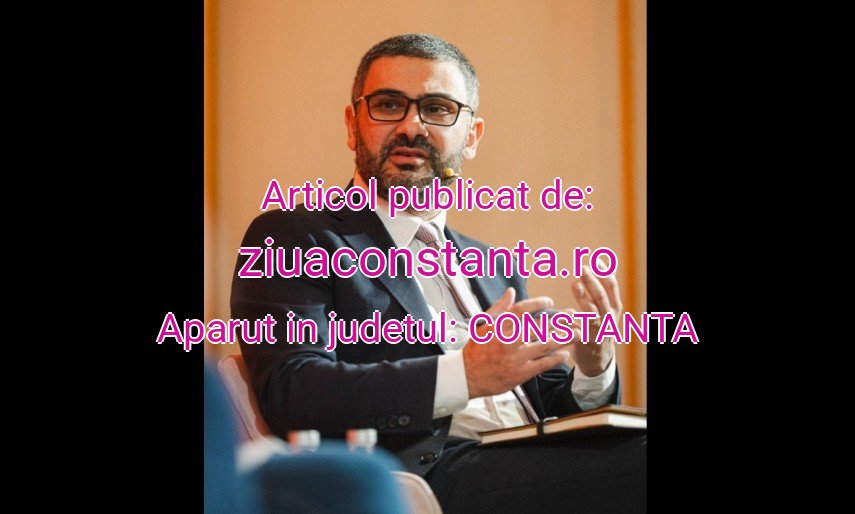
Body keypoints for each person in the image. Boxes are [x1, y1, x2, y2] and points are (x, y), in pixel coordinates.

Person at [232, 33, 646, 513]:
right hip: (425, 475)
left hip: (533, 462)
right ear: (352, 125)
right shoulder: (296, 236)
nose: (411, 126)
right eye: (389, 105)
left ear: (471, 137)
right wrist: (463, 375)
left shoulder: (494, 265)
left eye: (437, 109)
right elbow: (292, 388)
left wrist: (593, 369)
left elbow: (548, 408)